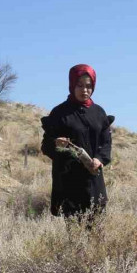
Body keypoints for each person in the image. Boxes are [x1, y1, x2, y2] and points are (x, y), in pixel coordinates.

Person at [40, 64, 113, 227]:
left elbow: (106, 143)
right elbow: (46, 146)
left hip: (94, 182)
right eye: (80, 85)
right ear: (72, 85)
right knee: (75, 237)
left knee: (96, 235)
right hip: (69, 184)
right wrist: (56, 143)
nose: (84, 90)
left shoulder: (99, 113)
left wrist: (99, 159)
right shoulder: (59, 113)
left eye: (89, 86)